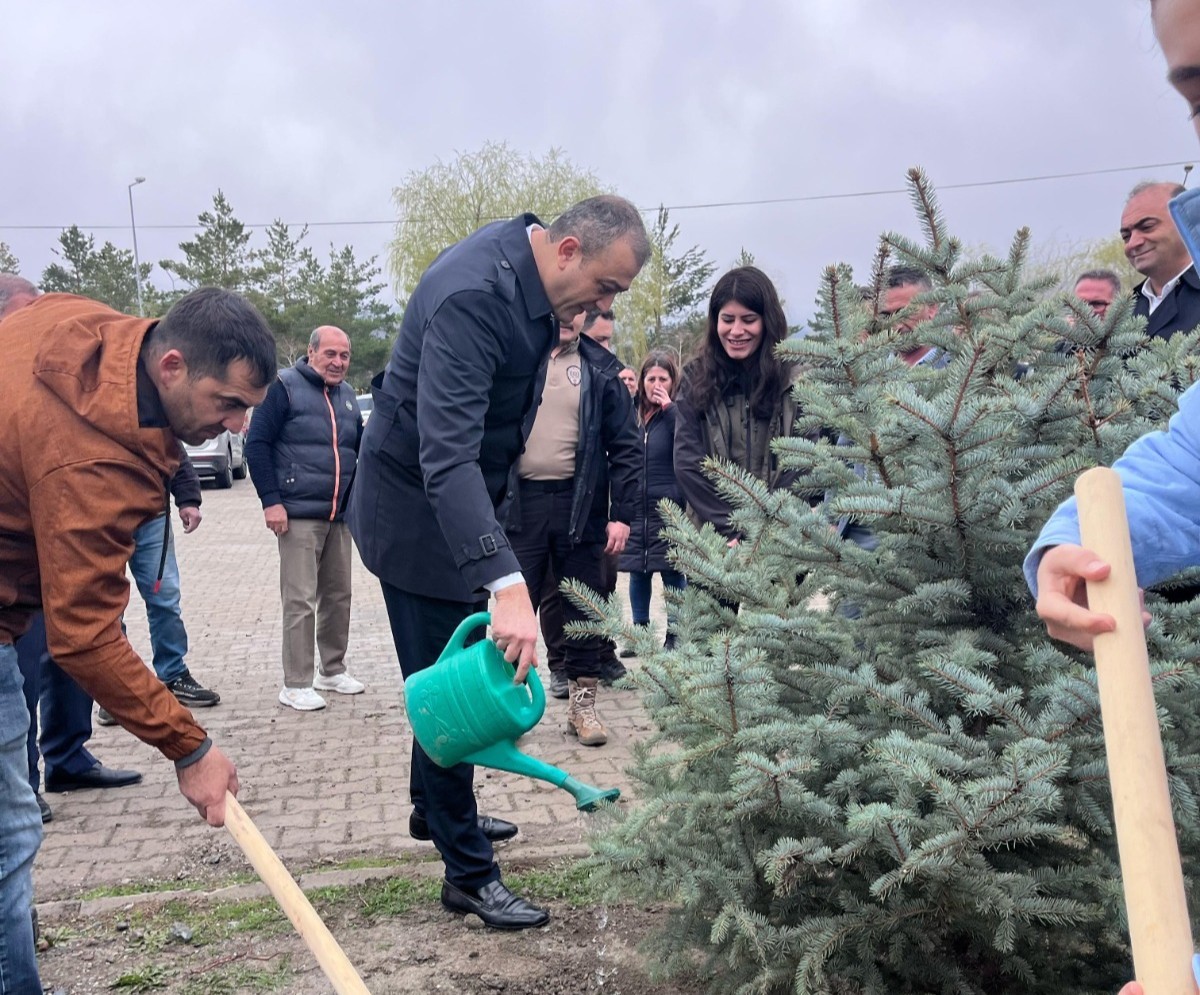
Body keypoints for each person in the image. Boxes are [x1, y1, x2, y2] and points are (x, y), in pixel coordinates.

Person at [348, 195, 648, 930]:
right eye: (607, 287)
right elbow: (444, 456)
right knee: (449, 692)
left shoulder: (536, 283)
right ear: (569, 249)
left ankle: (433, 810)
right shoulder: (472, 297)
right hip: (416, 518)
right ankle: (468, 874)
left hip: (462, 502)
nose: (606, 305)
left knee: (451, 677)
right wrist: (506, 581)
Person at [0, 282, 275, 993]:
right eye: (228, 404)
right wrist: (190, 746)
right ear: (173, 365)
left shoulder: (99, 332)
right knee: (9, 834)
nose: (238, 425)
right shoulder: (85, 457)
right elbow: (84, 634)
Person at [507, 314, 641, 745]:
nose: (567, 317)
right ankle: (507, 709)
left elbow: (625, 445)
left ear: (586, 313)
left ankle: (583, 710)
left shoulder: (601, 369)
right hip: (518, 505)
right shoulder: (514, 357)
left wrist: (620, 513)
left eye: (577, 310)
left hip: (580, 503)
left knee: (585, 609)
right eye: (560, 308)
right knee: (513, 607)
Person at [246, 326, 365, 711]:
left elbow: (359, 448)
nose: (338, 362)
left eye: (344, 355)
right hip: (296, 515)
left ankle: (331, 670)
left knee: (338, 596)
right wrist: (271, 501)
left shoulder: (347, 396)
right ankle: (295, 682)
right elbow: (257, 444)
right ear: (311, 353)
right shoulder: (283, 387)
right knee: (300, 600)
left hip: (338, 515)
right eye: (330, 353)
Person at [674, 265, 804, 545]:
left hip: (779, 545)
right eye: (727, 319)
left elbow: (803, 462)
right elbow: (688, 462)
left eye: (748, 319)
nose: (736, 330)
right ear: (715, 321)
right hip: (712, 545)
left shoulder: (796, 381)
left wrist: (765, 528)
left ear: (767, 321)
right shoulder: (692, 378)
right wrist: (733, 529)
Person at [619, 350, 687, 652]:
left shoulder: (678, 412)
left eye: (663, 378)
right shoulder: (630, 413)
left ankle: (676, 633)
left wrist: (669, 407)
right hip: (635, 506)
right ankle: (640, 634)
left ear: (673, 382)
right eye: (651, 378)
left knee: (672, 571)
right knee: (638, 570)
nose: (656, 383)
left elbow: (688, 440)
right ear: (642, 381)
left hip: (668, 507)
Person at [1122, 180, 1200, 339]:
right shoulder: (1123, 310)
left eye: (1147, 227)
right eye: (1126, 236)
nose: (1133, 243)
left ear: (1183, 222)